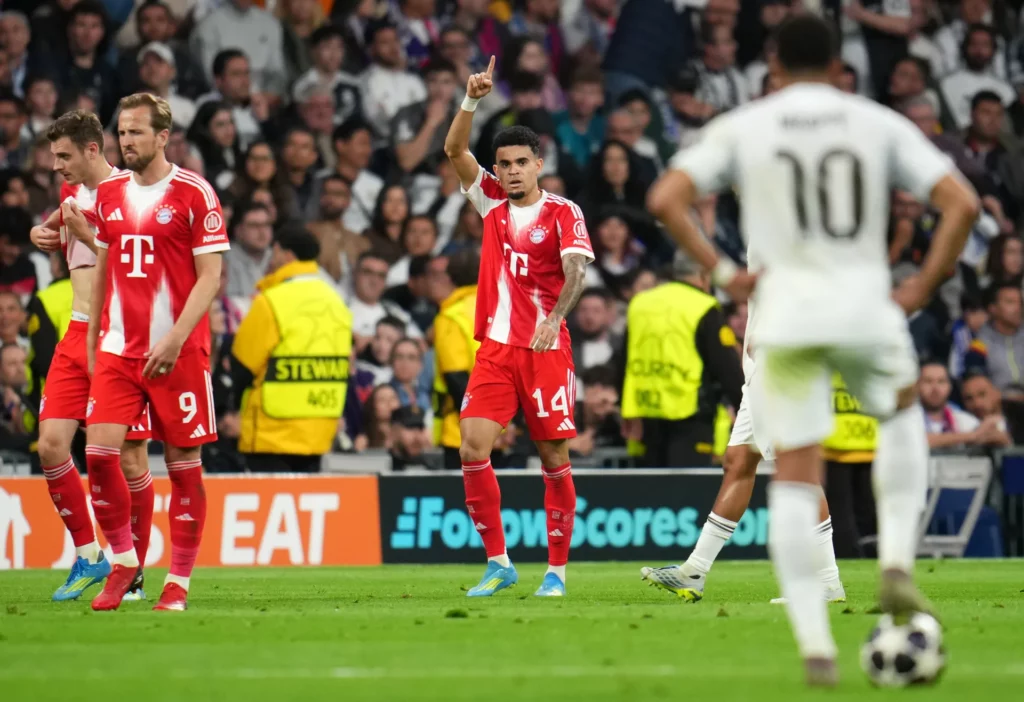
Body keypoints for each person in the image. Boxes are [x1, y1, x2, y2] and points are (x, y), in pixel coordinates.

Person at [645, 14, 980, 686]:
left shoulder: (753, 129)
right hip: (863, 302)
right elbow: (963, 203)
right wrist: (918, 286)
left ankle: (814, 636)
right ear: (837, 64)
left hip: (788, 323)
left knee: (793, 469)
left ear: (772, 66)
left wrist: (719, 272)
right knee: (899, 418)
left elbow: (666, 196)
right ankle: (892, 565)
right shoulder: (873, 121)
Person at [443, 56, 594, 598]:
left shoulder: (563, 212)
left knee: (553, 456)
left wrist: (554, 320)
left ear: (538, 165)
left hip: (545, 350)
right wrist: (471, 101)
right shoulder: (488, 204)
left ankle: (555, 572)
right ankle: (500, 562)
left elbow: (576, 271)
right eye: (503, 163)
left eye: (519, 163)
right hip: (497, 350)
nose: (509, 172)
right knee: (471, 447)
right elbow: (455, 151)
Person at [84, 93, 230, 613]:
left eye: (136, 133)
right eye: (121, 133)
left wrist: (174, 339)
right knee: (99, 456)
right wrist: (92, 339)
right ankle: (124, 562)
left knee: (183, 464)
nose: (125, 141)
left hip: (180, 350)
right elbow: (102, 268)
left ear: (163, 136)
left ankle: (179, 582)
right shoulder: (109, 193)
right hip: (120, 349)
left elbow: (211, 276)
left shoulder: (195, 193)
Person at [28, 110, 154, 603]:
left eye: (64, 156)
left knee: (129, 456)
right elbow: (59, 222)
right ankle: (89, 555)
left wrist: (84, 236)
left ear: (92, 150)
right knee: (52, 445)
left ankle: (134, 566)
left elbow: (139, 264)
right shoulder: (70, 195)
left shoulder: (132, 193)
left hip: (120, 337)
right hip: (76, 333)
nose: (56, 165)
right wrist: (43, 231)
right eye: (54, 156)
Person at [230, 225, 353, 473]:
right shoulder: (337, 302)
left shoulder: (271, 301)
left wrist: (231, 408)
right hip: (319, 429)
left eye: (274, 252)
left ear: (284, 253)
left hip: (272, 432)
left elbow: (241, 366)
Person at [620, 251, 743, 468]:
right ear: (705, 275)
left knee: (651, 496)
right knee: (685, 495)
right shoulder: (704, 306)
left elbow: (624, 360)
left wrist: (625, 410)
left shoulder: (640, 303)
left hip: (645, 415)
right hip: (690, 416)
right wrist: (747, 415)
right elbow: (727, 368)